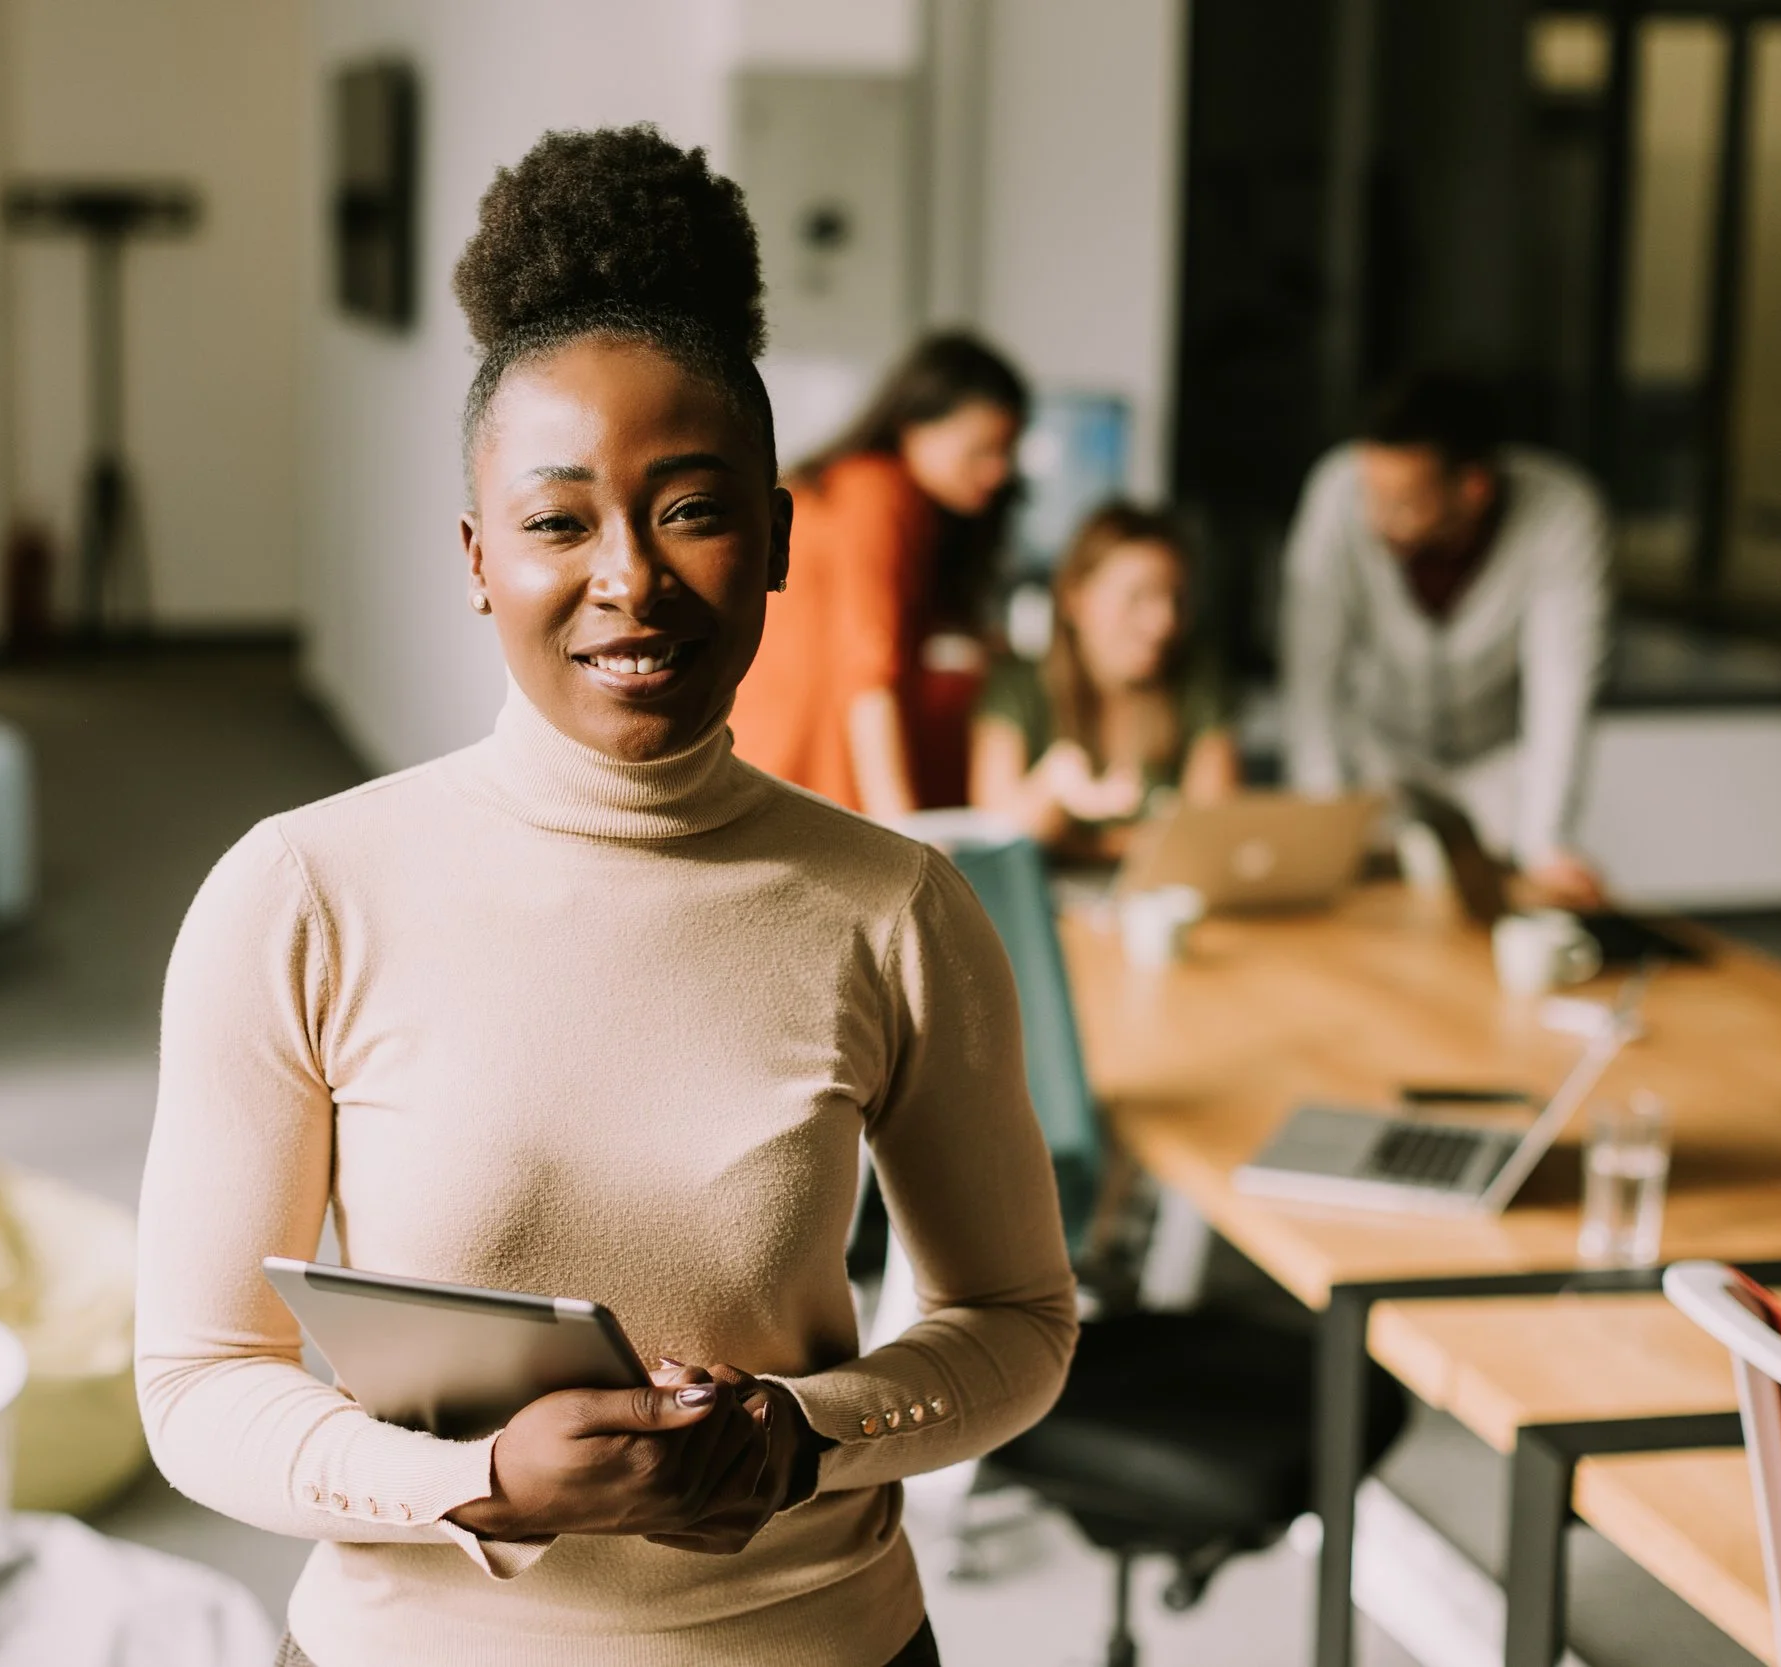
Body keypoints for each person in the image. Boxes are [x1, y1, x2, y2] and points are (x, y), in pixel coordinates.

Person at [134, 127, 1076, 1667]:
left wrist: (800, 1436)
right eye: (558, 521)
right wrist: (476, 1482)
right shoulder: (302, 893)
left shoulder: (895, 907)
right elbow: (195, 1378)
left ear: (776, 537)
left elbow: (1021, 1321)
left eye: (693, 507)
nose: (628, 577)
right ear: (477, 558)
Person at [1280, 372, 1611, 907]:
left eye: (1402, 503)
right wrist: (1323, 821)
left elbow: (1563, 689)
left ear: (1473, 488)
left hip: (1498, 762)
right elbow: (1312, 678)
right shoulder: (1337, 494)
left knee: (1509, 908)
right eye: (1372, 495)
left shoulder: (1563, 514)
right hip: (1378, 755)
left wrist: (1546, 843)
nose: (1376, 518)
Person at [728, 332, 1029, 816]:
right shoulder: (878, 493)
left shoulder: (853, 485)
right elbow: (869, 674)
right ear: (914, 425)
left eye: (1006, 453)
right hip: (800, 762)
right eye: (981, 450)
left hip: (764, 752)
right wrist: (905, 834)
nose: (998, 472)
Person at [969, 501, 1237, 850]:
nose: (1165, 622)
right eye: (1139, 596)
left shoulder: (1196, 679)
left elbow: (1215, 828)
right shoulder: (1016, 684)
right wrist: (1051, 787)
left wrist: (1079, 840)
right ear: (1075, 598)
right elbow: (992, 841)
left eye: (1176, 598)